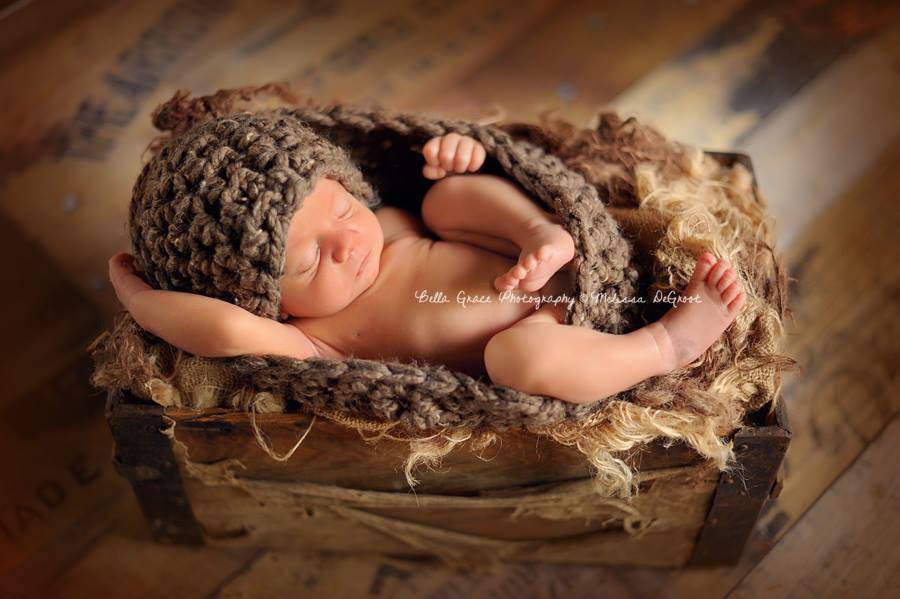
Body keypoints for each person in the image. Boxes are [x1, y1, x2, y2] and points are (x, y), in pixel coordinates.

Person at [109, 133, 745, 405]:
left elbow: (440, 187)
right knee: (516, 361)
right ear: (264, 302)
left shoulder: (386, 228)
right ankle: (666, 342)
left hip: (537, 262)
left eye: (337, 205)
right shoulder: (310, 339)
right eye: (307, 260)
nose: (344, 240)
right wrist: (141, 301)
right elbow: (221, 332)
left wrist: (459, 161)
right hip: (548, 334)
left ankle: (542, 233)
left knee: (445, 199)